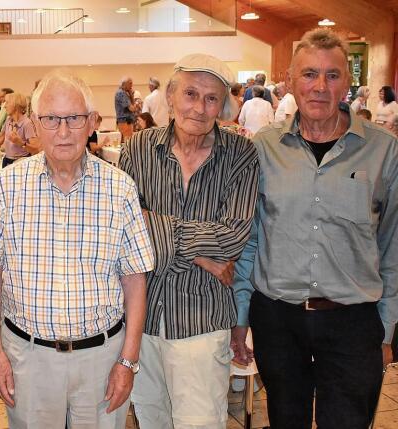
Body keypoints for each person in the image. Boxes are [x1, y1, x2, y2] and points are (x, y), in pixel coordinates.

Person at [232, 28, 398, 429]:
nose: (320, 87)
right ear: (290, 81)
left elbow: (393, 245)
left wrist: (388, 330)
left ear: (348, 81)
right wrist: (241, 316)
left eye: (332, 75)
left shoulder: (383, 150)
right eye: (309, 74)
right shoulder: (264, 149)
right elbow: (250, 239)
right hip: (278, 321)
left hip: (353, 322)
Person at [0, 69, 154, 429]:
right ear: (35, 125)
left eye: (73, 119)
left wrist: (128, 361)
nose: (62, 131)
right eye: (51, 119)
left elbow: (135, 281)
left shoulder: (120, 189)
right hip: (28, 358)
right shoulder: (4, 188)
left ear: (90, 123)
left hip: (102, 359)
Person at [119, 53, 259, 429]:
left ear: (223, 106)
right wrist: (203, 257)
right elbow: (124, 231)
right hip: (142, 320)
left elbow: (231, 239)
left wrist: (158, 228)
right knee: (152, 421)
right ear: (170, 96)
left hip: (202, 323)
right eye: (191, 94)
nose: (199, 107)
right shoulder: (137, 149)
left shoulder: (241, 155)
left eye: (211, 98)